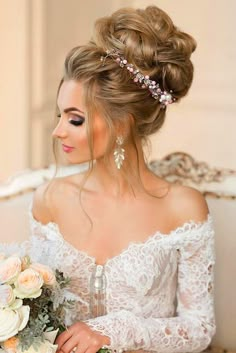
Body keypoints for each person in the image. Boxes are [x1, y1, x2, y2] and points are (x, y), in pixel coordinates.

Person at [29, 5, 216, 353]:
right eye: (60, 115)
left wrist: (117, 330)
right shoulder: (49, 199)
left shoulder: (183, 207)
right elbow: (36, 310)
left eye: (75, 120)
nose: (57, 132)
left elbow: (199, 328)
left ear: (121, 124)